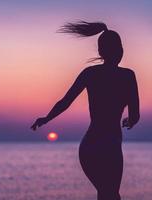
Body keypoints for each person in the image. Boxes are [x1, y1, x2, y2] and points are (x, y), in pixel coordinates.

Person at [31, 21, 140, 200]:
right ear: (120, 51)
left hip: (89, 147)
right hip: (110, 146)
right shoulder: (128, 76)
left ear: (100, 52)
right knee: (111, 195)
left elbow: (65, 102)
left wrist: (46, 118)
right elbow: (135, 115)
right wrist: (129, 121)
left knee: (106, 194)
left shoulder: (90, 73)